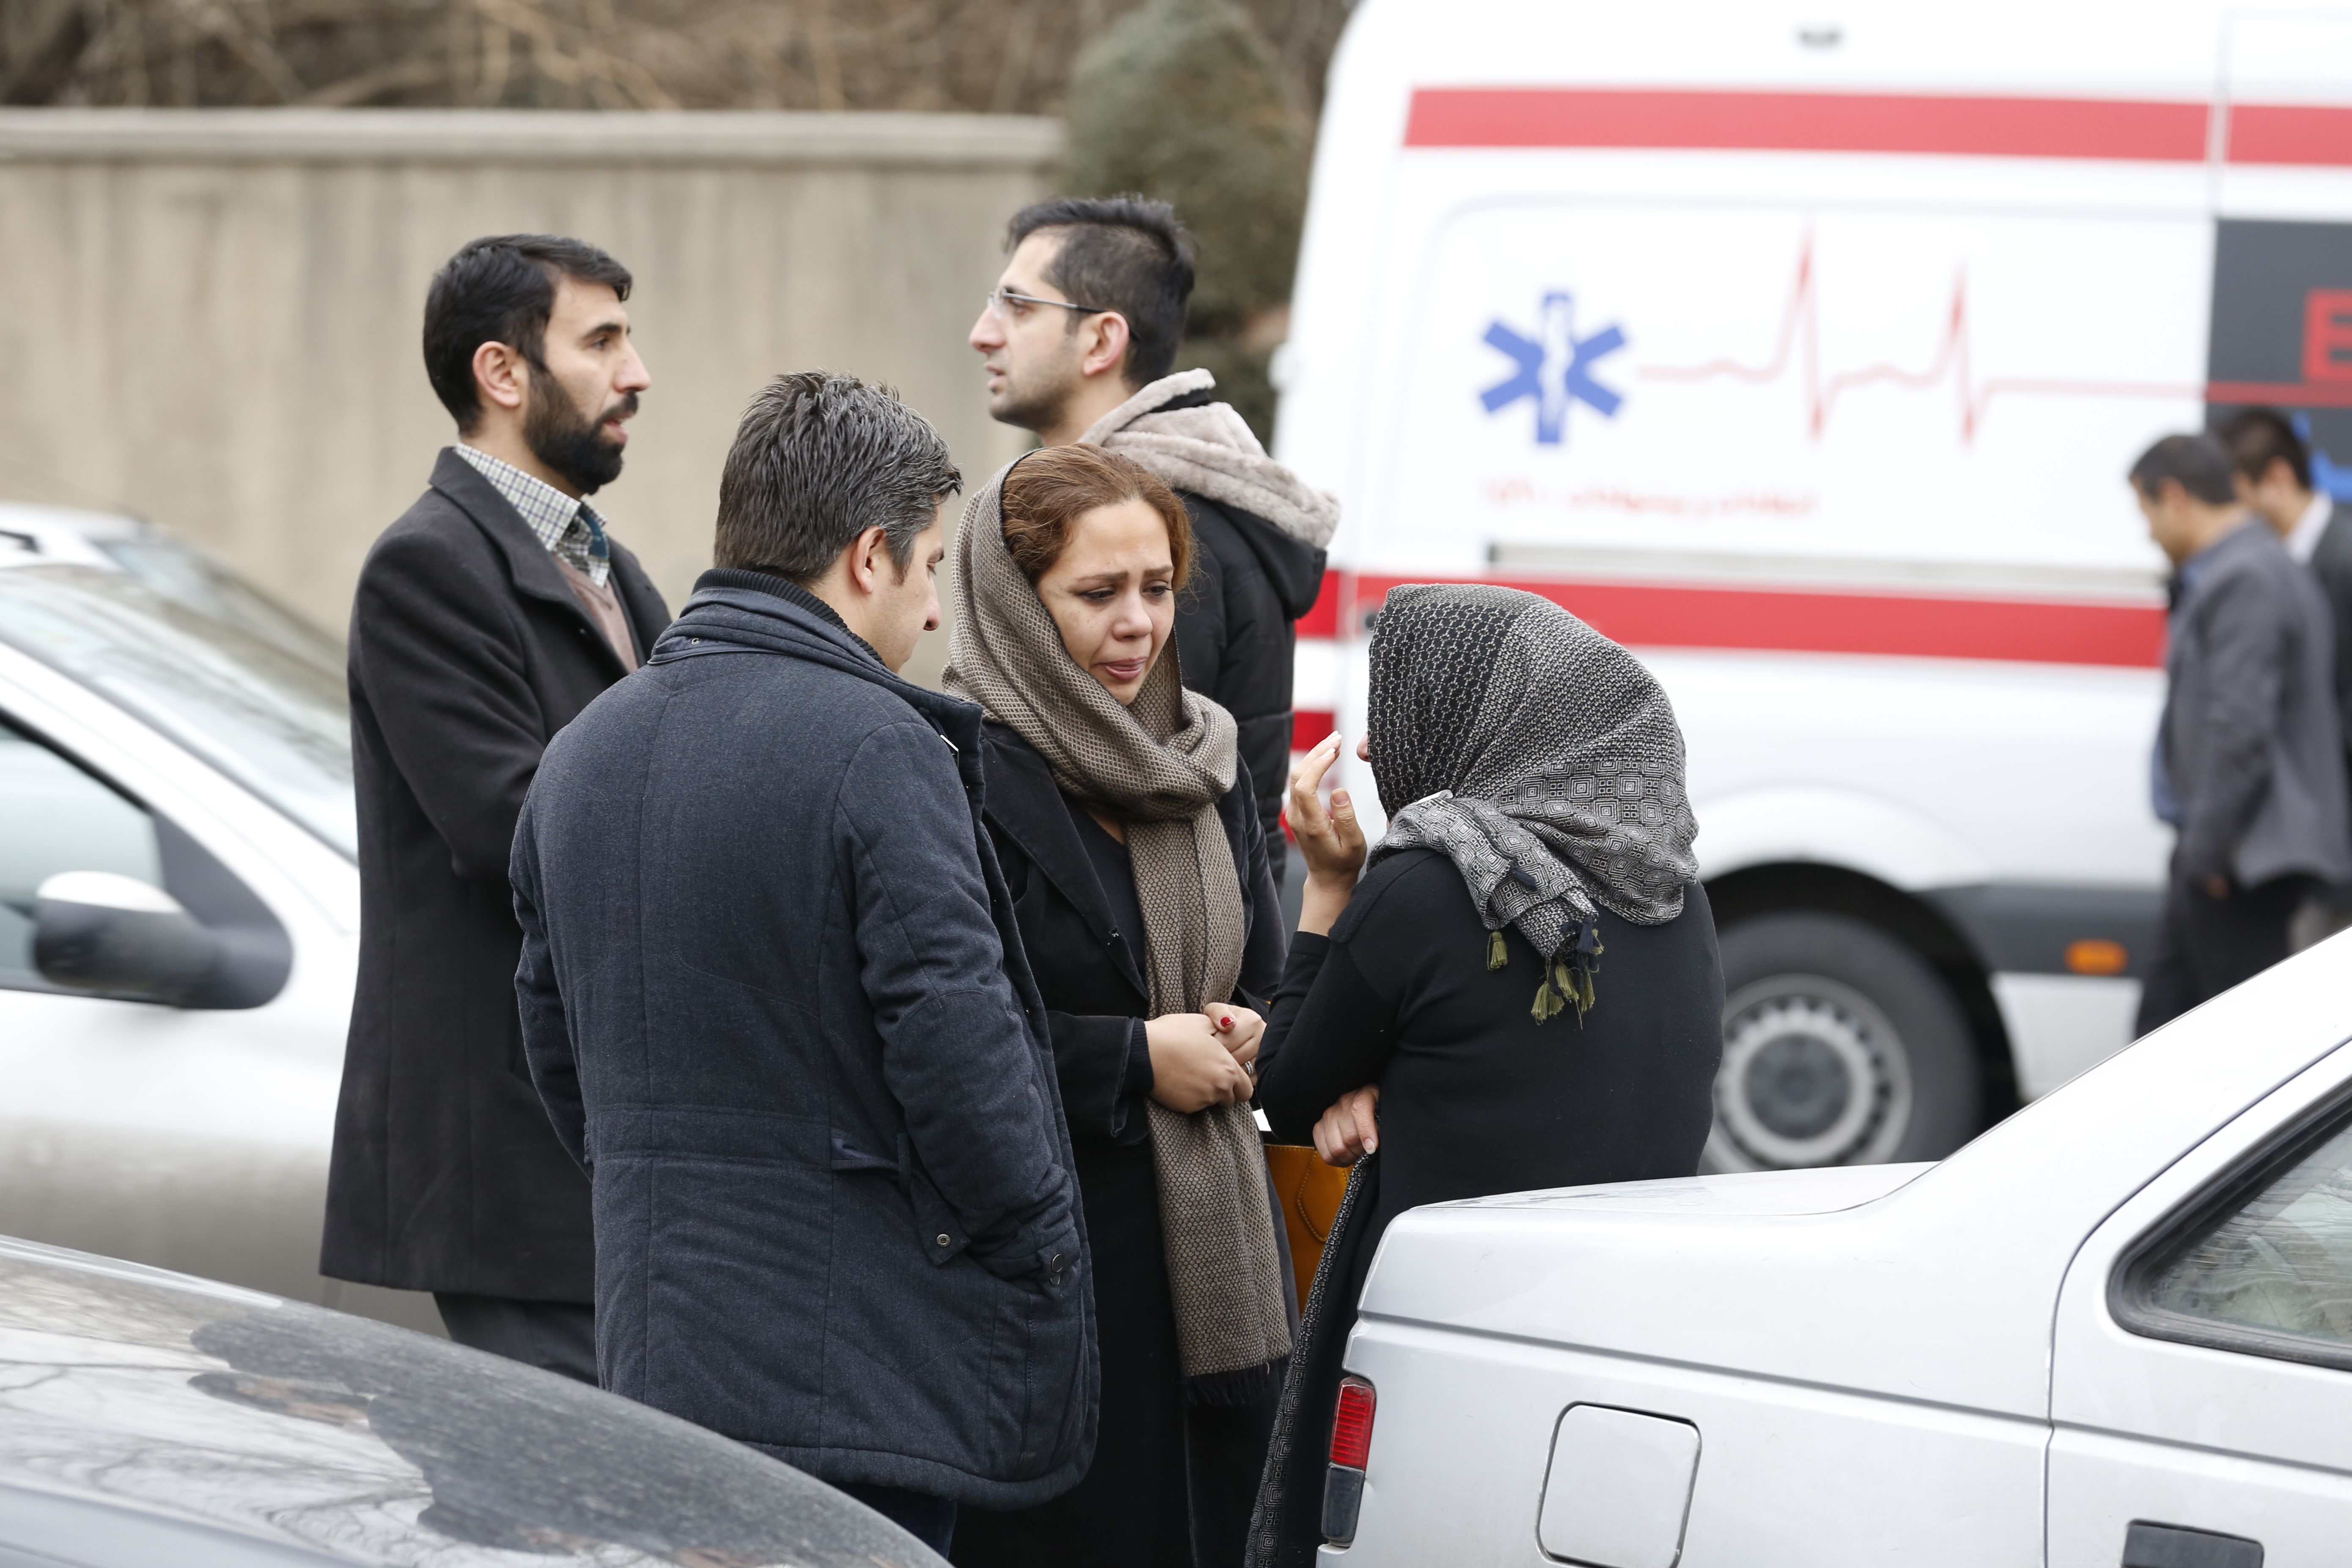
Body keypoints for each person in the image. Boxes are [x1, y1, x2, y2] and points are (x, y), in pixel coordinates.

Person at [508, 373, 1093, 1556]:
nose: (934, 611)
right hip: (862, 1378)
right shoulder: (879, 746)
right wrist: (1038, 1240)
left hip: (660, 1354)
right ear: (868, 557)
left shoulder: (580, 754)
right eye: (930, 564)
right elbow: (958, 1048)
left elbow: (555, 1049)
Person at [1245, 583, 1724, 1568]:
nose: (1374, 749)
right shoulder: (1677, 893)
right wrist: (1408, 1083)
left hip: (1446, 1333)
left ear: (1487, 719)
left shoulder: (1429, 884)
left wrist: (1330, 887)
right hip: (1627, 1343)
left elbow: (1287, 1091)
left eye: (1399, 708)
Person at [322, 233, 669, 1381]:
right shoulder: (428, 566)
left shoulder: (614, 570)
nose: (637, 373)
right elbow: (511, 828)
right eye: (603, 340)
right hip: (508, 1162)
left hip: (596, 1147)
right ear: (504, 373)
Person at [943, 444, 1292, 1568]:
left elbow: (1261, 977)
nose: (1137, 621)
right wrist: (1136, 1058)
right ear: (1014, 605)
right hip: (1049, 1283)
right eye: (1097, 593)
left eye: (1155, 588)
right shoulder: (951, 771)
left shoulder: (1206, 761)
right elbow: (937, 1035)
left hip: (1218, 1281)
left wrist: (1246, 1025)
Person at [970, 196, 1338, 877]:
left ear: (1103, 341)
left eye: (1018, 307)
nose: (983, 334)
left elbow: (1138, 808)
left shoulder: (1155, 533)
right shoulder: (1166, 511)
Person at [2130, 433, 2352, 1035]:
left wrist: (2204, 849)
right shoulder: (2254, 567)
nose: (2147, 531)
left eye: (2145, 511)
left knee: (2231, 1046)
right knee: (2163, 1028)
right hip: (2227, 849)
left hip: (2239, 856)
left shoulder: (2244, 577)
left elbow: (2238, 727)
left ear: (2173, 497)